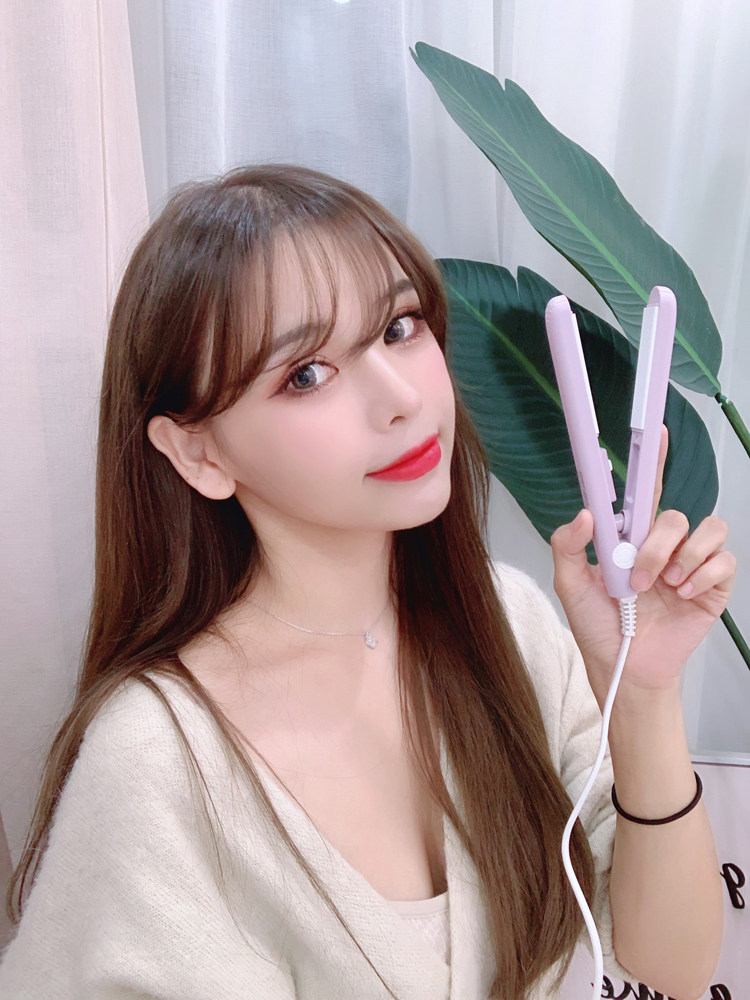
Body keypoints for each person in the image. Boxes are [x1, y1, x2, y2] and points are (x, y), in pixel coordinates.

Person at [0, 165, 734, 1000]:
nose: (400, 399)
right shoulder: (159, 758)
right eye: (306, 374)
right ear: (198, 453)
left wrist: (641, 697)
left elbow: (674, 965)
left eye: (399, 327)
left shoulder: (509, 624)